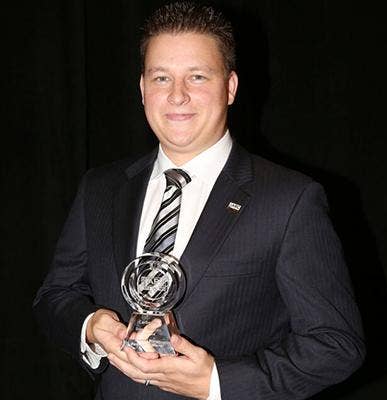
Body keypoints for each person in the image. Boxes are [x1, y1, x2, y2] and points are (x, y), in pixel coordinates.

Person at [33, 2, 365, 399]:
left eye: (197, 77)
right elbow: (54, 296)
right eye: (161, 78)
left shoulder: (290, 200)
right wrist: (90, 326)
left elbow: (336, 345)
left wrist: (216, 382)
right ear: (142, 89)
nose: (177, 96)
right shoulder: (100, 188)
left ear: (230, 87)